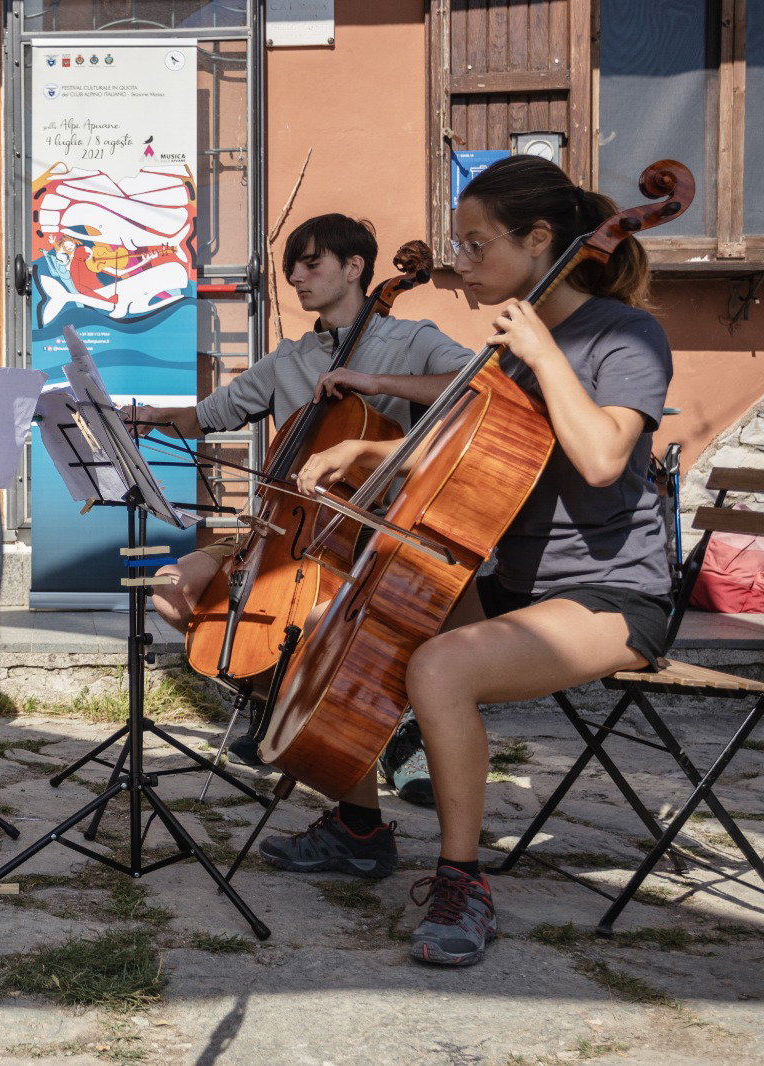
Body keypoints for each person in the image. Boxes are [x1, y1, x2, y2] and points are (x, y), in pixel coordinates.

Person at [258, 155, 675, 968]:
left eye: (479, 245)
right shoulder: (514, 347)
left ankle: (462, 882)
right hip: (512, 581)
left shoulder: (625, 335)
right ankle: (358, 827)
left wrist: (544, 351)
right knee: (339, 613)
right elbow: (463, 445)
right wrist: (362, 448)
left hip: (610, 594)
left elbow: (598, 459)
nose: (465, 263)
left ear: (541, 240)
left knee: (443, 667)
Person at [131, 213, 472, 804]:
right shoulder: (287, 359)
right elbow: (208, 416)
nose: (296, 275)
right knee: (171, 593)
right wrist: (156, 418)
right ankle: (281, 704)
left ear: (355, 268)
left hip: (372, 531)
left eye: (311, 263)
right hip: (283, 528)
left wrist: (366, 379)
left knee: (321, 616)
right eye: (292, 265)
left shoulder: (412, 339)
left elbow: (479, 380)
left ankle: (391, 728)